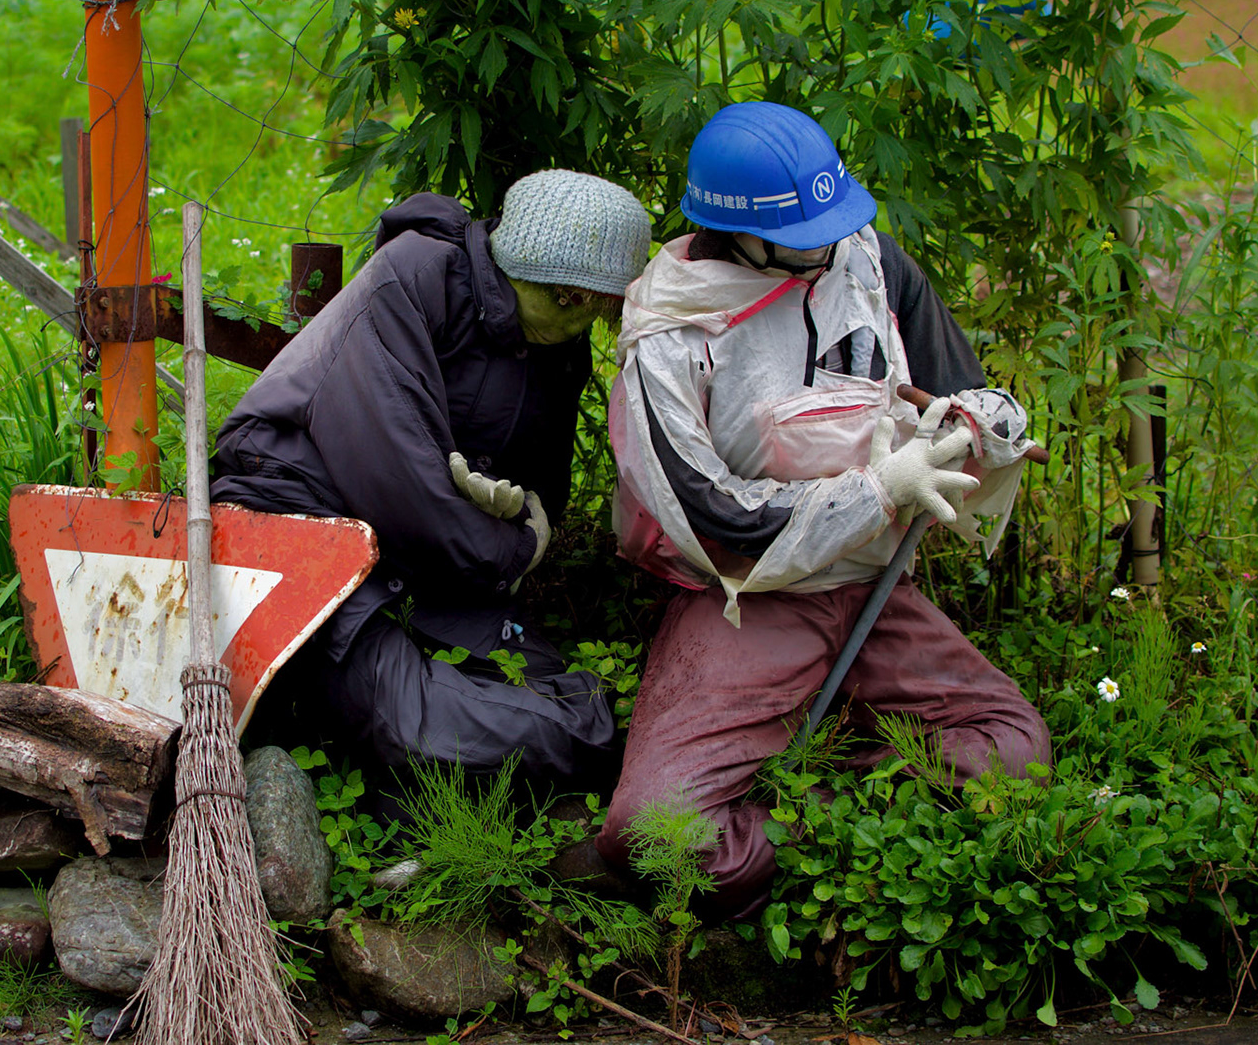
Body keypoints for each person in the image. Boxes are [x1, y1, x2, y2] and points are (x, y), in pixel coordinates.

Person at [595, 102, 1049, 918]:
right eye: (806, 231)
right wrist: (880, 490)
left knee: (1016, 755)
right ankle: (815, 806)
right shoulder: (669, 330)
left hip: (874, 589)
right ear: (737, 231)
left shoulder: (866, 259)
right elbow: (713, 521)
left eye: (834, 219)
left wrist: (978, 426)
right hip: (747, 600)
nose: (830, 242)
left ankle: (828, 799)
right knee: (655, 837)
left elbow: (955, 387)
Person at [210, 172, 653, 784]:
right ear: (527, 273)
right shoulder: (416, 274)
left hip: (425, 558)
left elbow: (539, 480)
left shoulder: (557, 348)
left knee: (546, 685)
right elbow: (393, 474)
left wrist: (517, 514)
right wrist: (516, 545)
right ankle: (590, 752)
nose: (579, 325)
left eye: (593, 308)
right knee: (413, 724)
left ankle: (580, 749)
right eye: (567, 301)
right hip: (300, 520)